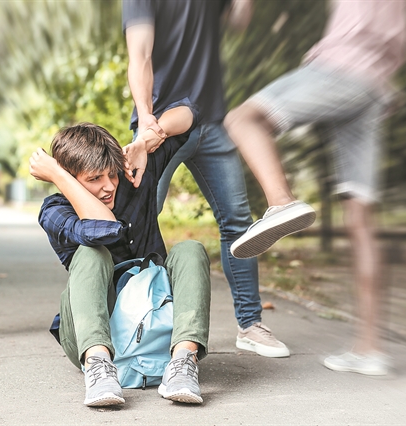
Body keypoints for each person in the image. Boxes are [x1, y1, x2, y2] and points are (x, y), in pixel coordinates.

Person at [224, 0, 406, 375]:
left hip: (340, 66)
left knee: (244, 119)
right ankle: (370, 350)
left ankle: (282, 203)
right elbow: (399, 40)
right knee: (361, 220)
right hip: (374, 86)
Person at [122, 0, 291, 359]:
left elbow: (240, 21)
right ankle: (131, 326)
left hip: (211, 120)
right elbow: (140, 53)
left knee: (238, 222)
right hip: (160, 123)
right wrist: (146, 118)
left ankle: (250, 325)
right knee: (138, 225)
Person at [30, 109, 211, 407]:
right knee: (91, 253)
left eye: (112, 174)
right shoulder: (54, 211)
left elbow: (191, 116)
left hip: (155, 319)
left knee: (190, 249)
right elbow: (105, 228)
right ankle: (100, 369)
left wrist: (143, 141)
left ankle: (183, 362)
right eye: (95, 179)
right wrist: (58, 175)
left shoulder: (133, 175)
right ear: (69, 179)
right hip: (92, 334)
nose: (110, 185)